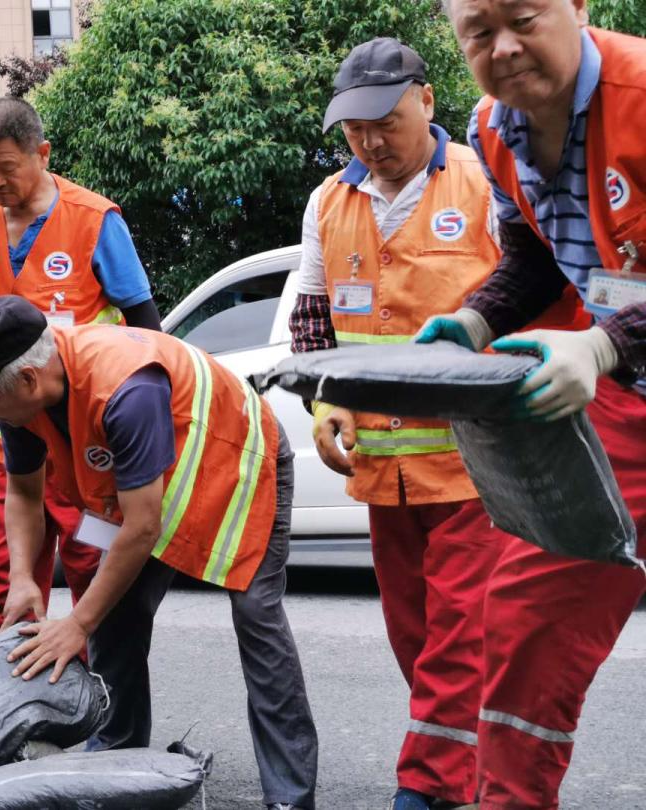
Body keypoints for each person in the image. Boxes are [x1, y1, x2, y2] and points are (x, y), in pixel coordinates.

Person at [288, 37, 568, 810]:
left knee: (456, 642)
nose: (371, 141)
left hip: (479, 469)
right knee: (418, 647)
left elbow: (540, 295)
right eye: (354, 129)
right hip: (382, 474)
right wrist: (326, 401)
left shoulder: (483, 184)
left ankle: (424, 791)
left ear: (427, 101)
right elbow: (313, 322)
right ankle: (474, 778)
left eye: (386, 121)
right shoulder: (328, 203)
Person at [0, 295, 319, 810]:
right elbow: (23, 493)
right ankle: (118, 760)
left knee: (256, 620)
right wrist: (23, 577)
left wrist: (77, 625)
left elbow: (142, 527)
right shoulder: (25, 404)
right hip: (143, 494)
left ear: (27, 381)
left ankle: (290, 797)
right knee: (115, 618)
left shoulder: (125, 388)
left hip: (236, 464)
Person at [418, 2, 646, 806]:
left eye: (524, 17)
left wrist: (603, 342)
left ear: (578, 8)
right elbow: (535, 255)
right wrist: (477, 317)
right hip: (628, 398)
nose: (504, 47)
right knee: (524, 620)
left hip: (617, 365)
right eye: (478, 32)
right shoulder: (491, 127)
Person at [0, 97, 161, 650]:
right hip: (8, 438)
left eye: (6, 168)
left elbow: (145, 325)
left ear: (41, 154)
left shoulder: (94, 221)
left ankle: (102, 713)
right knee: (3, 586)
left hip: (85, 444)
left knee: (93, 573)